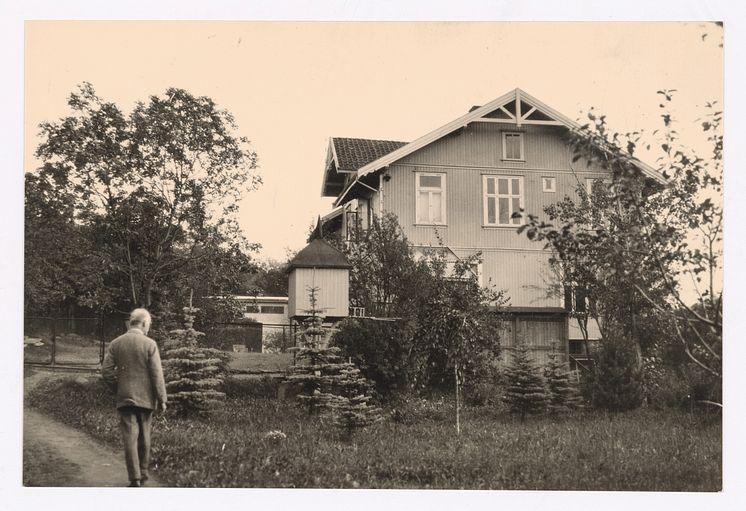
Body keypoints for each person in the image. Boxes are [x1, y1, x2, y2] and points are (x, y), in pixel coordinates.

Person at [102, 308, 167, 487]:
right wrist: (162, 398)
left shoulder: (116, 343)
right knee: (145, 436)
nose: (148, 329)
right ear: (144, 324)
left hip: (125, 398)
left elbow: (106, 371)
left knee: (130, 437)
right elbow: (157, 375)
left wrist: (118, 388)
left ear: (131, 323)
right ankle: (144, 473)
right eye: (149, 325)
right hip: (146, 399)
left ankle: (135, 478)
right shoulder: (150, 344)